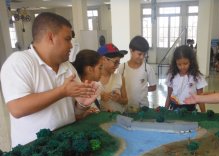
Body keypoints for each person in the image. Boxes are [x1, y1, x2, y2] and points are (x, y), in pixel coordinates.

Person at [0, 12, 97, 148]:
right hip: (35, 152)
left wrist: (82, 105)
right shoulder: (19, 62)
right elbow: (17, 108)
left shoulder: (68, 67)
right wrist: (62, 92)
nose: (71, 46)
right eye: (67, 39)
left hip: (66, 144)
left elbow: (72, 114)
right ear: (51, 38)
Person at [165, 45, 207, 112]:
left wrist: (204, 113)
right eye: (179, 64)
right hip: (174, 108)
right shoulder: (171, 75)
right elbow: (169, 96)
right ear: (175, 63)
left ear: (191, 61)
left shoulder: (197, 76)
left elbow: (200, 98)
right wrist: (165, 110)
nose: (182, 67)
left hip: (190, 110)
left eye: (185, 63)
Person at [120, 35, 157, 110]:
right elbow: (119, 87)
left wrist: (142, 90)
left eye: (144, 54)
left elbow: (153, 87)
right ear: (131, 50)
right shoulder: (122, 68)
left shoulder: (147, 68)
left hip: (143, 107)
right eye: (139, 54)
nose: (142, 57)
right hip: (126, 107)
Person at [97, 43, 128, 113]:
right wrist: (100, 97)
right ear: (103, 59)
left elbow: (126, 101)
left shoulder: (120, 78)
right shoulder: (92, 79)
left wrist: (119, 99)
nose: (117, 66)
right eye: (115, 62)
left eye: (118, 63)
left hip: (117, 118)